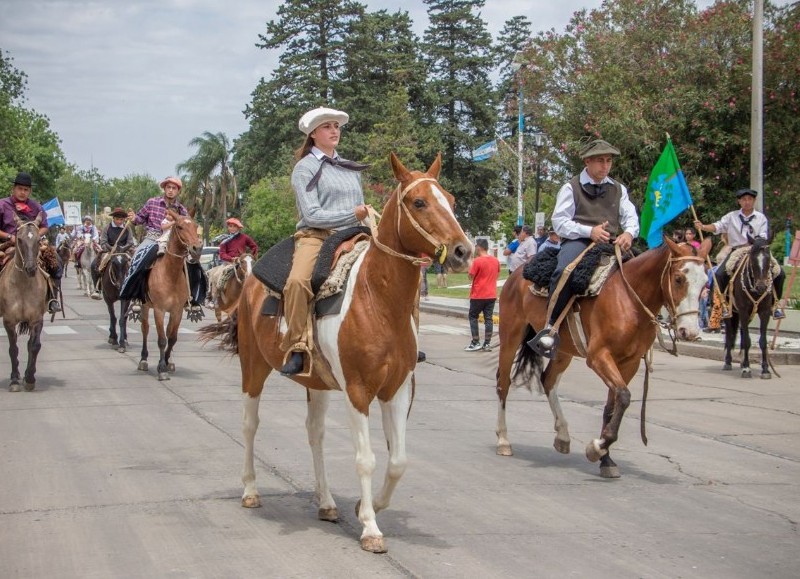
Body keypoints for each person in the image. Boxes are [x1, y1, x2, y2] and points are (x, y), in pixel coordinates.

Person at [279, 106, 371, 376]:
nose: (334, 131)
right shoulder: (304, 168)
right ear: (314, 134)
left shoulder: (350, 168)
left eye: (337, 126)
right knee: (297, 281)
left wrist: (365, 220)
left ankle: (405, 340)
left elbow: (360, 208)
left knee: (398, 268)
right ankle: (298, 346)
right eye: (328, 126)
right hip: (317, 236)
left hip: (355, 234)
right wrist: (352, 214)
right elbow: (312, 214)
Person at [527, 139, 639, 357]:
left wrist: (629, 233)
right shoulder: (571, 187)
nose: (605, 166)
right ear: (588, 161)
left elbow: (631, 216)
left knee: (643, 272)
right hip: (579, 241)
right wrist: (589, 232)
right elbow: (559, 222)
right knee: (564, 270)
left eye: (608, 161)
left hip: (611, 243)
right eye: (600, 161)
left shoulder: (618, 189)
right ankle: (550, 328)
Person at [120, 176, 206, 319]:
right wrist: (133, 217)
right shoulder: (152, 202)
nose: (171, 190)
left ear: (178, 191)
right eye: (168, 187)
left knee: (195, 265)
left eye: (174, 188)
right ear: (164, 189)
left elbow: (188, 226)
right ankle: (135, 296)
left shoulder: (181, 210)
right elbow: (139, 219)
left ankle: (193, 299)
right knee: (138, 258)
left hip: (174, 242)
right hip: (153, 237)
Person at [694, 187, 786, 319]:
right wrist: (703, 226)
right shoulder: (731, 216)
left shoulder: (761, 218)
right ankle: (723, 305)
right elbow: (718, 226)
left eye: (750, 199)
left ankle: (775, 305)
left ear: (754, 201)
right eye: (744, 199)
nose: (747, 202)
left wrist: (756, 244)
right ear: (739, 201)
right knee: (719, 274)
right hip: (737, 250)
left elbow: (763, 235)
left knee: (780, 273)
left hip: (757, 249)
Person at [0, 172, 61, 313]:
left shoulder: (36, 207)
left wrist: (34, 237)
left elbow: (44, 226)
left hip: (33, 244)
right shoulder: (2, 205)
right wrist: (10, 237)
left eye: (26, 189)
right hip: (7, 243)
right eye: (20, 188)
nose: (23, 192)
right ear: (14, 189)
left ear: (30, 191)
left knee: (56, 262)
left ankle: (52, 299)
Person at [464, 238, 501, 352]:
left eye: (476, 246)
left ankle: (475, 342)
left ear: (479, 247)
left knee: (473, 317)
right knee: (488, 319)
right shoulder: (496, 261)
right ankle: (487, 344)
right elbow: (497, 274)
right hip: (491, 294)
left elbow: (471, 276)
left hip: (478, 294)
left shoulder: (477, 261)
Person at [90, 207, 135, 298]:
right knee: (94, 264)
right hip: (109, 251)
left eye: (121, 219)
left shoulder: (127, 228)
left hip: (124, 251)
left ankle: (135, 290)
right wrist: (111, 249)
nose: (119, 221)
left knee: (135, 265)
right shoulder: (107, 228)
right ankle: (97, 288)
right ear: (113, 218)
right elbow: (103, 242)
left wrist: (122, 248)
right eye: (117, 219)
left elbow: (130, 242)